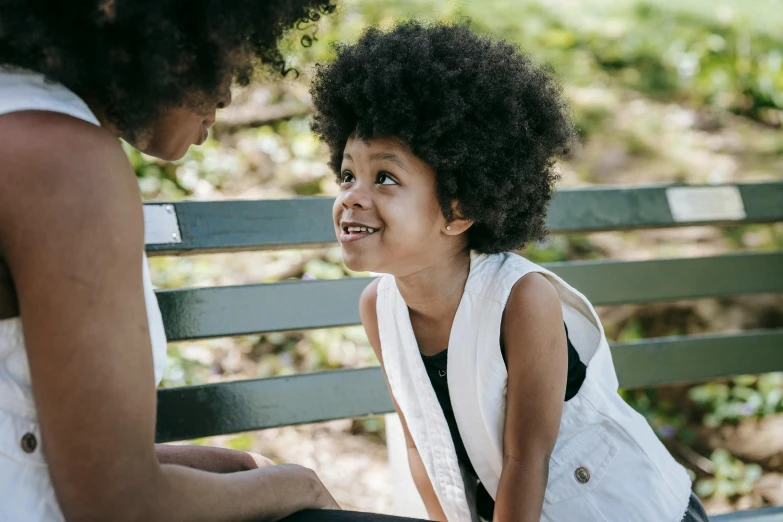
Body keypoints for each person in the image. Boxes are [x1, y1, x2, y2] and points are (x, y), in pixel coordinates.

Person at [310, 21, 711, 522]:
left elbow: (527, 460)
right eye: (347, 174)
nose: (352, 196)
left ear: (458, 210)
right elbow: (423, 447)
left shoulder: (521, 299)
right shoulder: (380, 308)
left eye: (384, 177)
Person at [0, 2, 352, 521]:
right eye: (225, 63)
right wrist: (296, 485)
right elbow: (119, 507)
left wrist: (230, 468)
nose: (227, 95)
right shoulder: (65, 161)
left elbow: (45, 453)